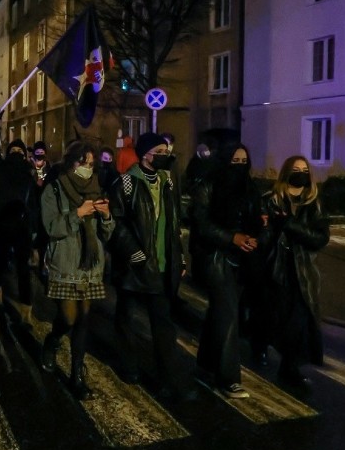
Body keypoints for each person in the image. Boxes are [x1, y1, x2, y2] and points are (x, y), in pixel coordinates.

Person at [109, 132, 196, 401]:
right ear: (145, 153)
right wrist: (133, 252)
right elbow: (115, 223)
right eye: (159, 150)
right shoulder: (125, 183)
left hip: (160, 266)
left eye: (166, 149)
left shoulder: (167, 181)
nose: (165, 154)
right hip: (133, 267)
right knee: (127, 319)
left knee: (163, 326)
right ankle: (129, 366)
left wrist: (179, 257)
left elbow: (173, 224)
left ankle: (169, 380)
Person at [40, 141, 114, 400]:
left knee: (83, 319)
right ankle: (52, 341)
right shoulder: (55, 189)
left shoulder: (96, 189)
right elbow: (51, 228)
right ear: (72, 163)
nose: (87, 169)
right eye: (83, 163)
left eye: (91, 164)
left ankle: (76, 376)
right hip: (65, 263)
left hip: (90, 266)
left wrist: (106, 217)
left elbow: (106, 235)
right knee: (68, 318)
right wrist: (78, 214)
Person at [190, 142, 264, 399]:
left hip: (242, 260)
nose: (240, 166)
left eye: (244, 162)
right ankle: (228, 379)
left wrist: (256, 235)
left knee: (219, 313)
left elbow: (255, 218)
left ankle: (205, 365)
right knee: (228, 313)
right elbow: (201, 223)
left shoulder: (250, 188)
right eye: (236, 161)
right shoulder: (207, 184)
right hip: (215, 257)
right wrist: (232, 238)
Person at [262, 156, 329, 392]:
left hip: (302, 272)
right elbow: (263, 235)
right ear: (286, 172)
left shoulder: (314, 203)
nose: (300, 174)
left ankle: (290, 367)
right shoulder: (272, 201)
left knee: (298, 321)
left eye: (304, 170)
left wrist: (290, 225)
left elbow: (320, 238)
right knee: (275, 317)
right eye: (295, 169)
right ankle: (262, 347)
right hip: (276, 268)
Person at [0, 119, 39, 326]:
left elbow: (33, 204)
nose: (16, 152)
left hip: (22, 226)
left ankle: (26, 308)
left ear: (25, 155)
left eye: (20, 150)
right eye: (13, 149)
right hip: (1, 224)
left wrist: (34, 233)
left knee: (23, 269)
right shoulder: (1, 168)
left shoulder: (28, 174)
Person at [31, 141, 52, 283]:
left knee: (44, 239)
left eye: (42, 153)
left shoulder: (49, 169)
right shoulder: (29, 168)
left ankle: (43, 266)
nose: (39, 155)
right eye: (37, 153)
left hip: (46, 208)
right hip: (33, 208)